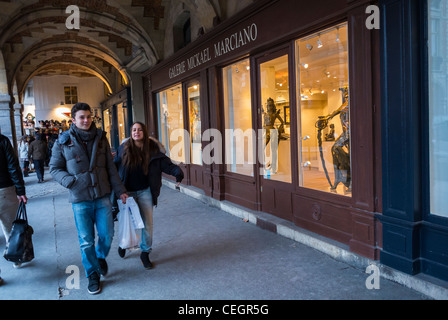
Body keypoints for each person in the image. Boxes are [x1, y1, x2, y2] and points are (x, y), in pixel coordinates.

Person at [50, 103, 128, 295]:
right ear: (73, 120)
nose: (86, 120)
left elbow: (111, 168)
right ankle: (92, 274)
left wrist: (120, 191)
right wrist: (70, 182)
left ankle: (99, 257)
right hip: (80, 198)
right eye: (82, 117)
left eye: (88, 117)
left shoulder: (102, 138)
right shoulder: (63, 141)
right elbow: (54, 168)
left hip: (102, 196)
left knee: (107, 235)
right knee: (86, 240)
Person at [114, 122, 184, 269]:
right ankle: (124, 243)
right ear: (130, 132)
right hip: (127, 193)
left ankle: (145, 252)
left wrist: (177, 171)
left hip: (145, 191)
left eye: (139, 130)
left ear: (144, 132)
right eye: (134, 130)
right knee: (127, 222)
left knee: (147, 224)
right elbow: (114, 167)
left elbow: (166, 164)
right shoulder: (124, 148)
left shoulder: (153, 149)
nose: (136, 132)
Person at [0, 132, 28, 284]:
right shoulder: (3, 140)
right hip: (4, 190)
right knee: (11, 229)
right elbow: (13, 166)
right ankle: (16, 258)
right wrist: (20, 191)